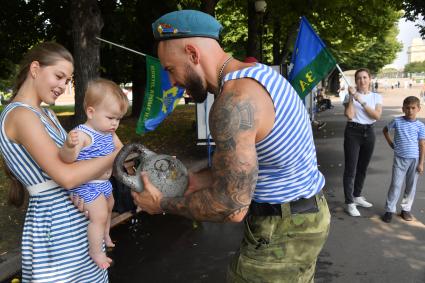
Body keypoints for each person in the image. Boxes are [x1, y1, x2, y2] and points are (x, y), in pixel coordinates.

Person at [132, 10, 330, 282]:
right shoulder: (257, 74)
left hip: (282, 231)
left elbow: (231, 205)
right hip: (305, 218)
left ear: (193, 54)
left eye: (170, 69)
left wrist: (161, 203)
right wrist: (192, 180)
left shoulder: (234, 101)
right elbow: (248, 170)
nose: (172, 82)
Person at [0, 42, 116, 282]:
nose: (63, 87)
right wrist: (117, 154)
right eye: (59, 76)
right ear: (35, 69)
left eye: (67, 81)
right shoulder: (21, 114)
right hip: (56, 225)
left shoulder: (47, 114)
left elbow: (72, 165)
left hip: (77, 218)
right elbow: (67, 176)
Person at [59, 78, 128, 268]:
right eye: (110, 118)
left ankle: (105, 235)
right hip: (87, 185)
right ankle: (96, 252)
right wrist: (68, 146)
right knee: (98, 215)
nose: (115, 123)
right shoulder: (82, 134)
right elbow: (67, 159)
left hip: (104, 184)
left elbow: (123, 151)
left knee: (109, 206)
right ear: (91, 112)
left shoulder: (110, 134)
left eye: (118, 119)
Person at [343, 68, 382, 217]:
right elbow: (350, 115)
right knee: (350, 169)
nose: (362, 81)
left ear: (370, 79)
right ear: (355, 81)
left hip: (369, 132)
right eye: (359, 78)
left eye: (365, 77)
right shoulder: (349, 96)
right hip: (353, 132)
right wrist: (352, 98)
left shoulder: (376, 97)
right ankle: (349, 202)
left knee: (363, 167)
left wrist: (361, 100)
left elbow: (376, 115)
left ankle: (357, 196)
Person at [381, 96, 425, 223]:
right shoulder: (397, 121)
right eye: (407, 108)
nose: (410, 111)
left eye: (413, 108)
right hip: (400, 159)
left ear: (418, 109)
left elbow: (422, 145)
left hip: (414, 160)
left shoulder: (420, 126)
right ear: (403, 109)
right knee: (395, 185)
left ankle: (406, 209)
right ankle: (389, 210)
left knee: (411, 186)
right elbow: (385, 130)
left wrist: (421, 163)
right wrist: (391, 143)